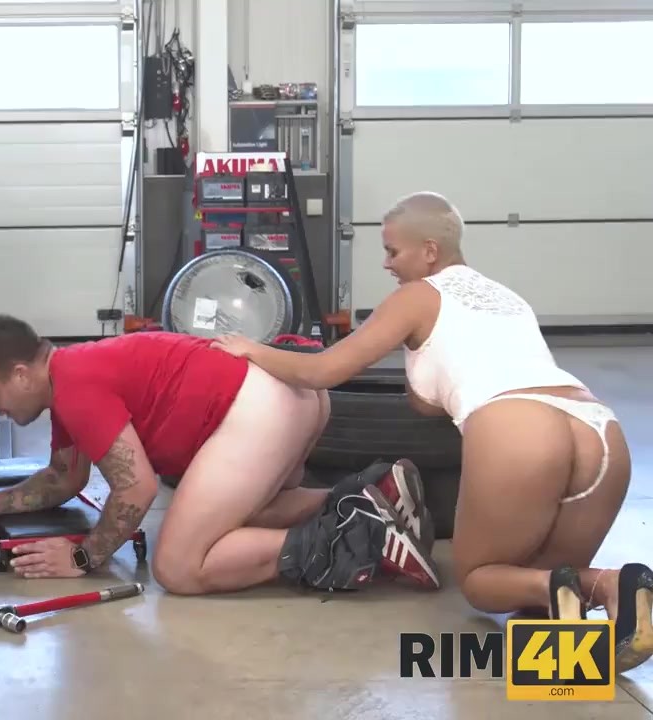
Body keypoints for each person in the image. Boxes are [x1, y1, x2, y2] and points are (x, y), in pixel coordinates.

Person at [211, 190, 652, 673]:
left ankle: (606, 584)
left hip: (517, 425)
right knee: (543, 588)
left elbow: (324, 370)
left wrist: (250, 349)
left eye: (392, 251)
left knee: (482, 580)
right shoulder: (507, 298)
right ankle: (586, 634)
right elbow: (433, 396)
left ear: (429, 251)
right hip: (600, 430)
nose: (386, 263)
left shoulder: (416, 296)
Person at [0, 313, 442, 596]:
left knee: (179, 567)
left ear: (21, 374)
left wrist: (83, 557)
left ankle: (359, 535)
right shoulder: (74, 375)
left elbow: (136, 489)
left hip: (258, 407)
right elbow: (64, 478)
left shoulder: (75, 387)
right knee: (248, 515)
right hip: (291, 392)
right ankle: (371, 494)